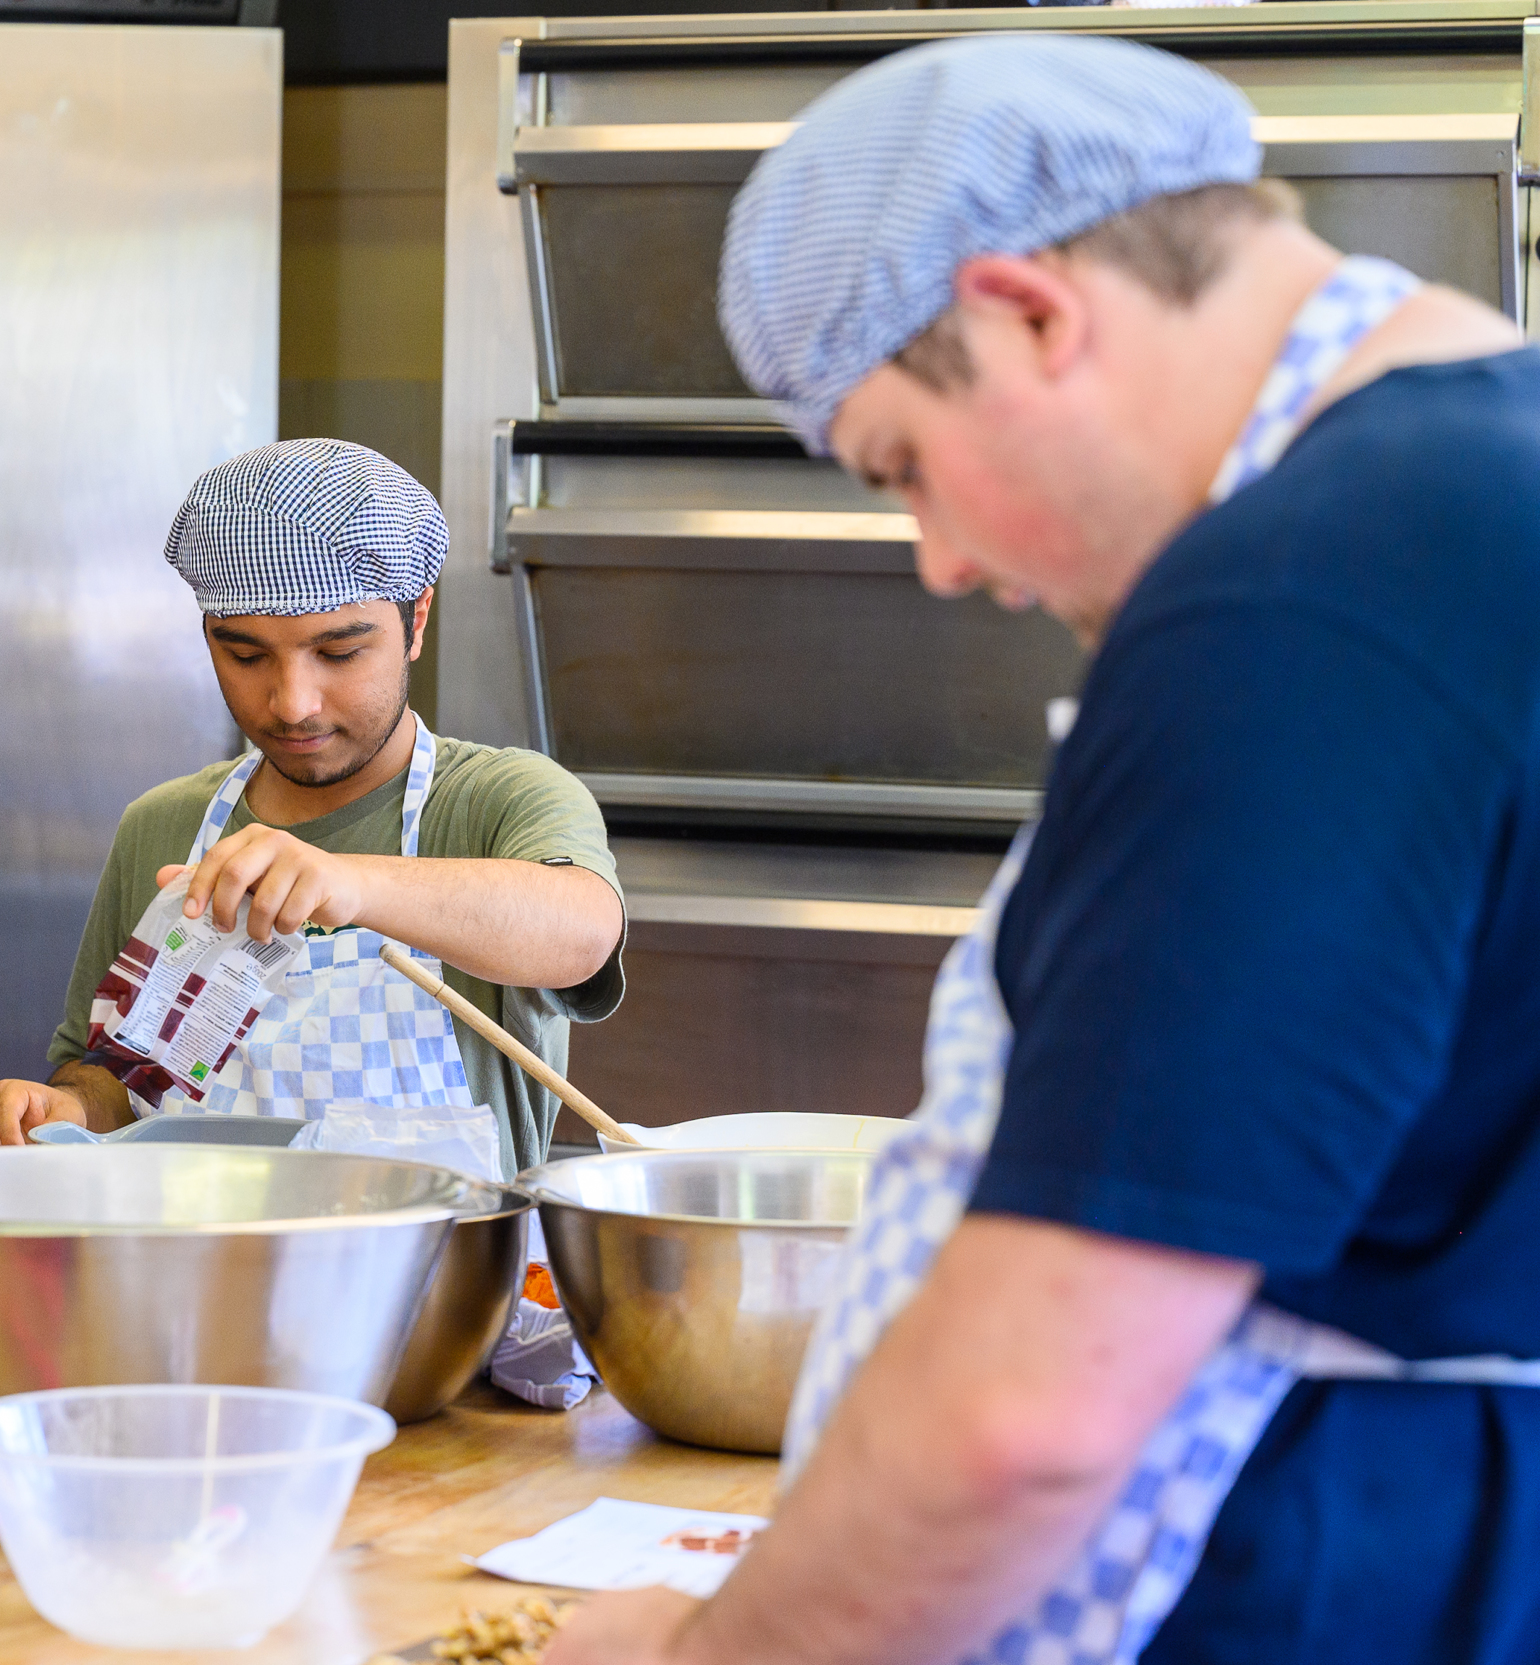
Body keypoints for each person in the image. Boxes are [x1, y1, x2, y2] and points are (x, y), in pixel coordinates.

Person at [546, 35, 1540, 1665]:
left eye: (905, 468)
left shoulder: (1306, 596)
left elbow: (1035, 1413)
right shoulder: (1488, 482)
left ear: (1029, 311)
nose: (939, 562)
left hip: (1331, 1586)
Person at [0, 439, 624, 1175]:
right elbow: (117, 1079)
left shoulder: (498, 800)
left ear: (417, 620)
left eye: (338, 653)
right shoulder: (164, 825)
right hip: (199, 1281)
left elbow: (581, 932)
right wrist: (66, 1111)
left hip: (444, 1282)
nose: (291, 703)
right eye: (245, 655)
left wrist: (349, 882)